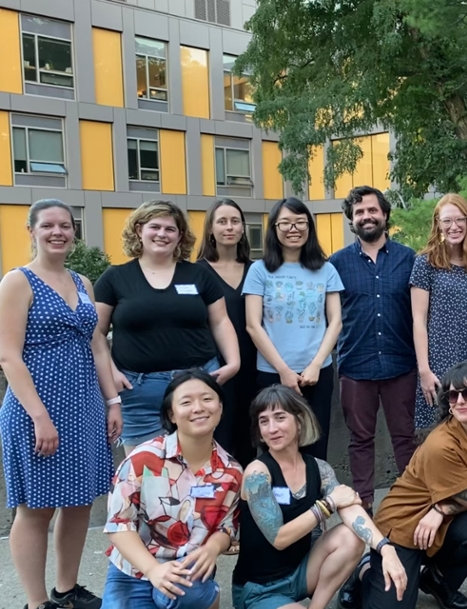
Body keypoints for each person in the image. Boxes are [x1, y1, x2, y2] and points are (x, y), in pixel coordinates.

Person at [0, 200, 122, 609]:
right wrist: (39, 417)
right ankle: (34, 608)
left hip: (85, 406)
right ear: (31, 230)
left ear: (74, 232)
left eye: (65, 226)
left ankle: (67, 589)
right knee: (35, 508)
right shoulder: (17, 281)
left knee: (79, 503)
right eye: (47, 225)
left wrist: (112, 402)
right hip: (38, 410)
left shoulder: (81, 281)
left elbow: (99, 348)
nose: (57, 232)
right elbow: (9, 356)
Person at [336, 361, 467, 609]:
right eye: (452, 395)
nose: (459, 401)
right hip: (403, 530)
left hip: (438, 523)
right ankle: (366, 571)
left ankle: (436, 579)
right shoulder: (441, 444)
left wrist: (441, 511)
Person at [233, 384, 405, 609]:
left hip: (300, 573)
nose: (271, 428)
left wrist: (385, 548)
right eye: (263, 421)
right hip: (260, 589)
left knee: (351, 536)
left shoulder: (319, 468)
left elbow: (349, 507)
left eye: (280, 417)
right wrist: (326, 506)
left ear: (299, 421)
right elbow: (279, 538)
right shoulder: (257, 473)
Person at [91, 370, 242, 609]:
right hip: (132, 574)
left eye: (207, 399)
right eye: (186, 402)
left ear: (221, 408)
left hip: (186, 573)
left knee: (191, 592)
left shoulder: (231, 472)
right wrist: (153, 570)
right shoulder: (142, 460)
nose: (198, 407)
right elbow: (119, 524)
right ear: (172, 414)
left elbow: (228, 527)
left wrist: (214, 546)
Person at [94, 200, 240, 454]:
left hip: (199, 385)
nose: (162, 234)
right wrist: (111, 371)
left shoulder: (199, 275)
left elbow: (220, 321)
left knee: (199, 470)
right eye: (155, 227)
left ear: (180, 236)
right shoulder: (114, 278)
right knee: (144, 474)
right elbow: (94, 333)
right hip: (139, 391)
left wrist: (234, 362)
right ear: (139, 230)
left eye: (170, 229)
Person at [328, 186, 418, 511]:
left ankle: (411, 501)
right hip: (355, 366)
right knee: (360, 440)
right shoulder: (335, 264)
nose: (366, 216)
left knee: (405, 437)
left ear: (384, 214)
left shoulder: (410, 259)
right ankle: (362, 505)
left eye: (372, 210)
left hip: (401, 365)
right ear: (351, 220)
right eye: (359, 212)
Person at [243, 197, 344, 461]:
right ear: (274, 228)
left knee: (315, 443)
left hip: (316, 373)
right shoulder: (259, 270)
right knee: (275, 444)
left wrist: (315, 364)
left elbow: (335, 321)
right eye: (285, 223)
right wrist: (284, 371)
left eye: (300, 222)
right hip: (272, 374)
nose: (293, 229)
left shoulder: (326, 269)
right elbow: (253, 325)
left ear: (309, 227)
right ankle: (279, 501)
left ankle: (315, 498)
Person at [411, 193, 467, 432]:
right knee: (440, 434)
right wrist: (424, 370)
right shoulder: (425, 263)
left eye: (460, 220)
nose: (454, 227)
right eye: (447, 221)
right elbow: (418, 320)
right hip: (438, 364)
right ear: (438, 223)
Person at [197, 198, 257, 464]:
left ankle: (246, 503)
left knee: (251, 439)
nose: (229, 227)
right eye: (222, 221)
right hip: (215, 368)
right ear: (210, 228)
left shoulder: (258, 270)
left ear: (243, 228)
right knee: (217, 439)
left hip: (256, 366)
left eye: (235, 221)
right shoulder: (195, 273)